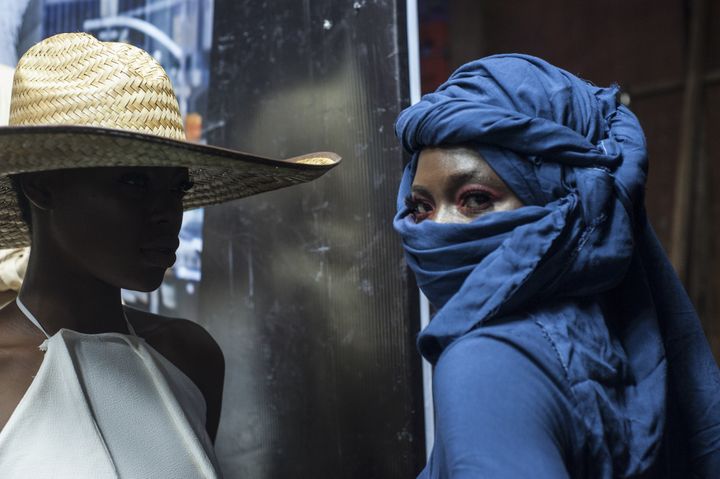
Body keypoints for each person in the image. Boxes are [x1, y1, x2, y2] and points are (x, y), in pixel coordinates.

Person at [0, 32, 339, 478]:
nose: (167, 215)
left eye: (178, 188)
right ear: (40, 185)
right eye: (134, 182)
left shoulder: (190, 356)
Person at [393, 54, 720, 478]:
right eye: (421, 207)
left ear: (558, 204)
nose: (437, 230)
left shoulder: (489, 363)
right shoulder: (614, 340)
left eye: (475, 199)